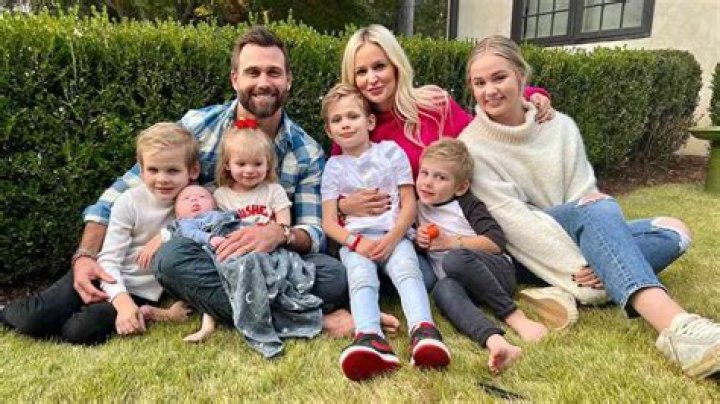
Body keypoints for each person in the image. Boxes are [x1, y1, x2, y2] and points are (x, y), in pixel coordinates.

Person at [458, 35, 719, 379]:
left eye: (499, 77)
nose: (489, 90)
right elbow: (514, 223)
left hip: (579, 234)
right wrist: (583, 264)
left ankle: (562, 292)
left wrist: (599, 255)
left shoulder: (560, 126)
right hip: (529, 254)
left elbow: (583, 193)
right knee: (599, 209)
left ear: (521, 75)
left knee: (674, 230)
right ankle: (677, 327)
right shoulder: (472, 146)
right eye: (479, 83)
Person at [68, 26, 355, 338]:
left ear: (288, 80)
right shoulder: (199, 126)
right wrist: (85, 255)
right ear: (235, 79)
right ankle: (313, 320)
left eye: (273, 72)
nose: (263, 82)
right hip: (212, 256)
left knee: (334, 276)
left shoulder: (307, 152)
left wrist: (280, 233)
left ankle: (249, 309)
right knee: (170, 259)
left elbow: (314, 232)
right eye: (252, 72)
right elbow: (121, 191)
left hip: (271, 260)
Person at [0, 123, 197, 344]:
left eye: (173, 170)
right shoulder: (129, 202)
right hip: (101, 275)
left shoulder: (197, 202)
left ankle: (74, 318)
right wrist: (122, 302)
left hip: (139, 292)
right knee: (32, 320)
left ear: (193, 171)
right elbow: (109, 259)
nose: (162, 179)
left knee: (79, 332)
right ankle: (9, 310)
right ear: (141, 171)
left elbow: (205, 227)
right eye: (153, 170)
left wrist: (164, 236)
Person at [320, 84, 450, 381]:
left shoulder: (391, 153)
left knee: (407, 271)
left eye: (352, 116)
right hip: (357, 242)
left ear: (369, 121)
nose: (345, 124)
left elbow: (409, 204)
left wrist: (392, 239)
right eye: (337, 120)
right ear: (329, 131)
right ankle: (369, 337)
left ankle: (424, 331)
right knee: (361, 278)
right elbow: (328, 222)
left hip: (395, 235)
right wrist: (357, 243)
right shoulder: (334, 167)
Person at [416, 138, 548, 374]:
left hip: (494, 272)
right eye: (424, 173)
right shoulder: (416, 208)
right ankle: (496, 342)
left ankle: (516, 317)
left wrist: (451, 242)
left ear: (461, 187)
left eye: (440, 177)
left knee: (455, 259)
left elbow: (496, 243)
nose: (428, 182)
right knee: (442, 289)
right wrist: (420, 241)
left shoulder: (467, 204)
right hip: (462, 286)